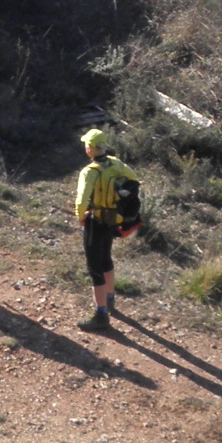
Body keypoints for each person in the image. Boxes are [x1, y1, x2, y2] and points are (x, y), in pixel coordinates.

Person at [72, 127, 140, 331]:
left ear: (91, 149)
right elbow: (134, 179)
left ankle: (101, 314)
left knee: (94, 267)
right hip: (113, 220)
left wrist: (80, 217)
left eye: (87, 145)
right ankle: (110, 299)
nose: (86, 148)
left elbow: (82, 200)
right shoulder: (116, 163)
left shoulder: (89, 172)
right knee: (106, 258)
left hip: (96, 221)